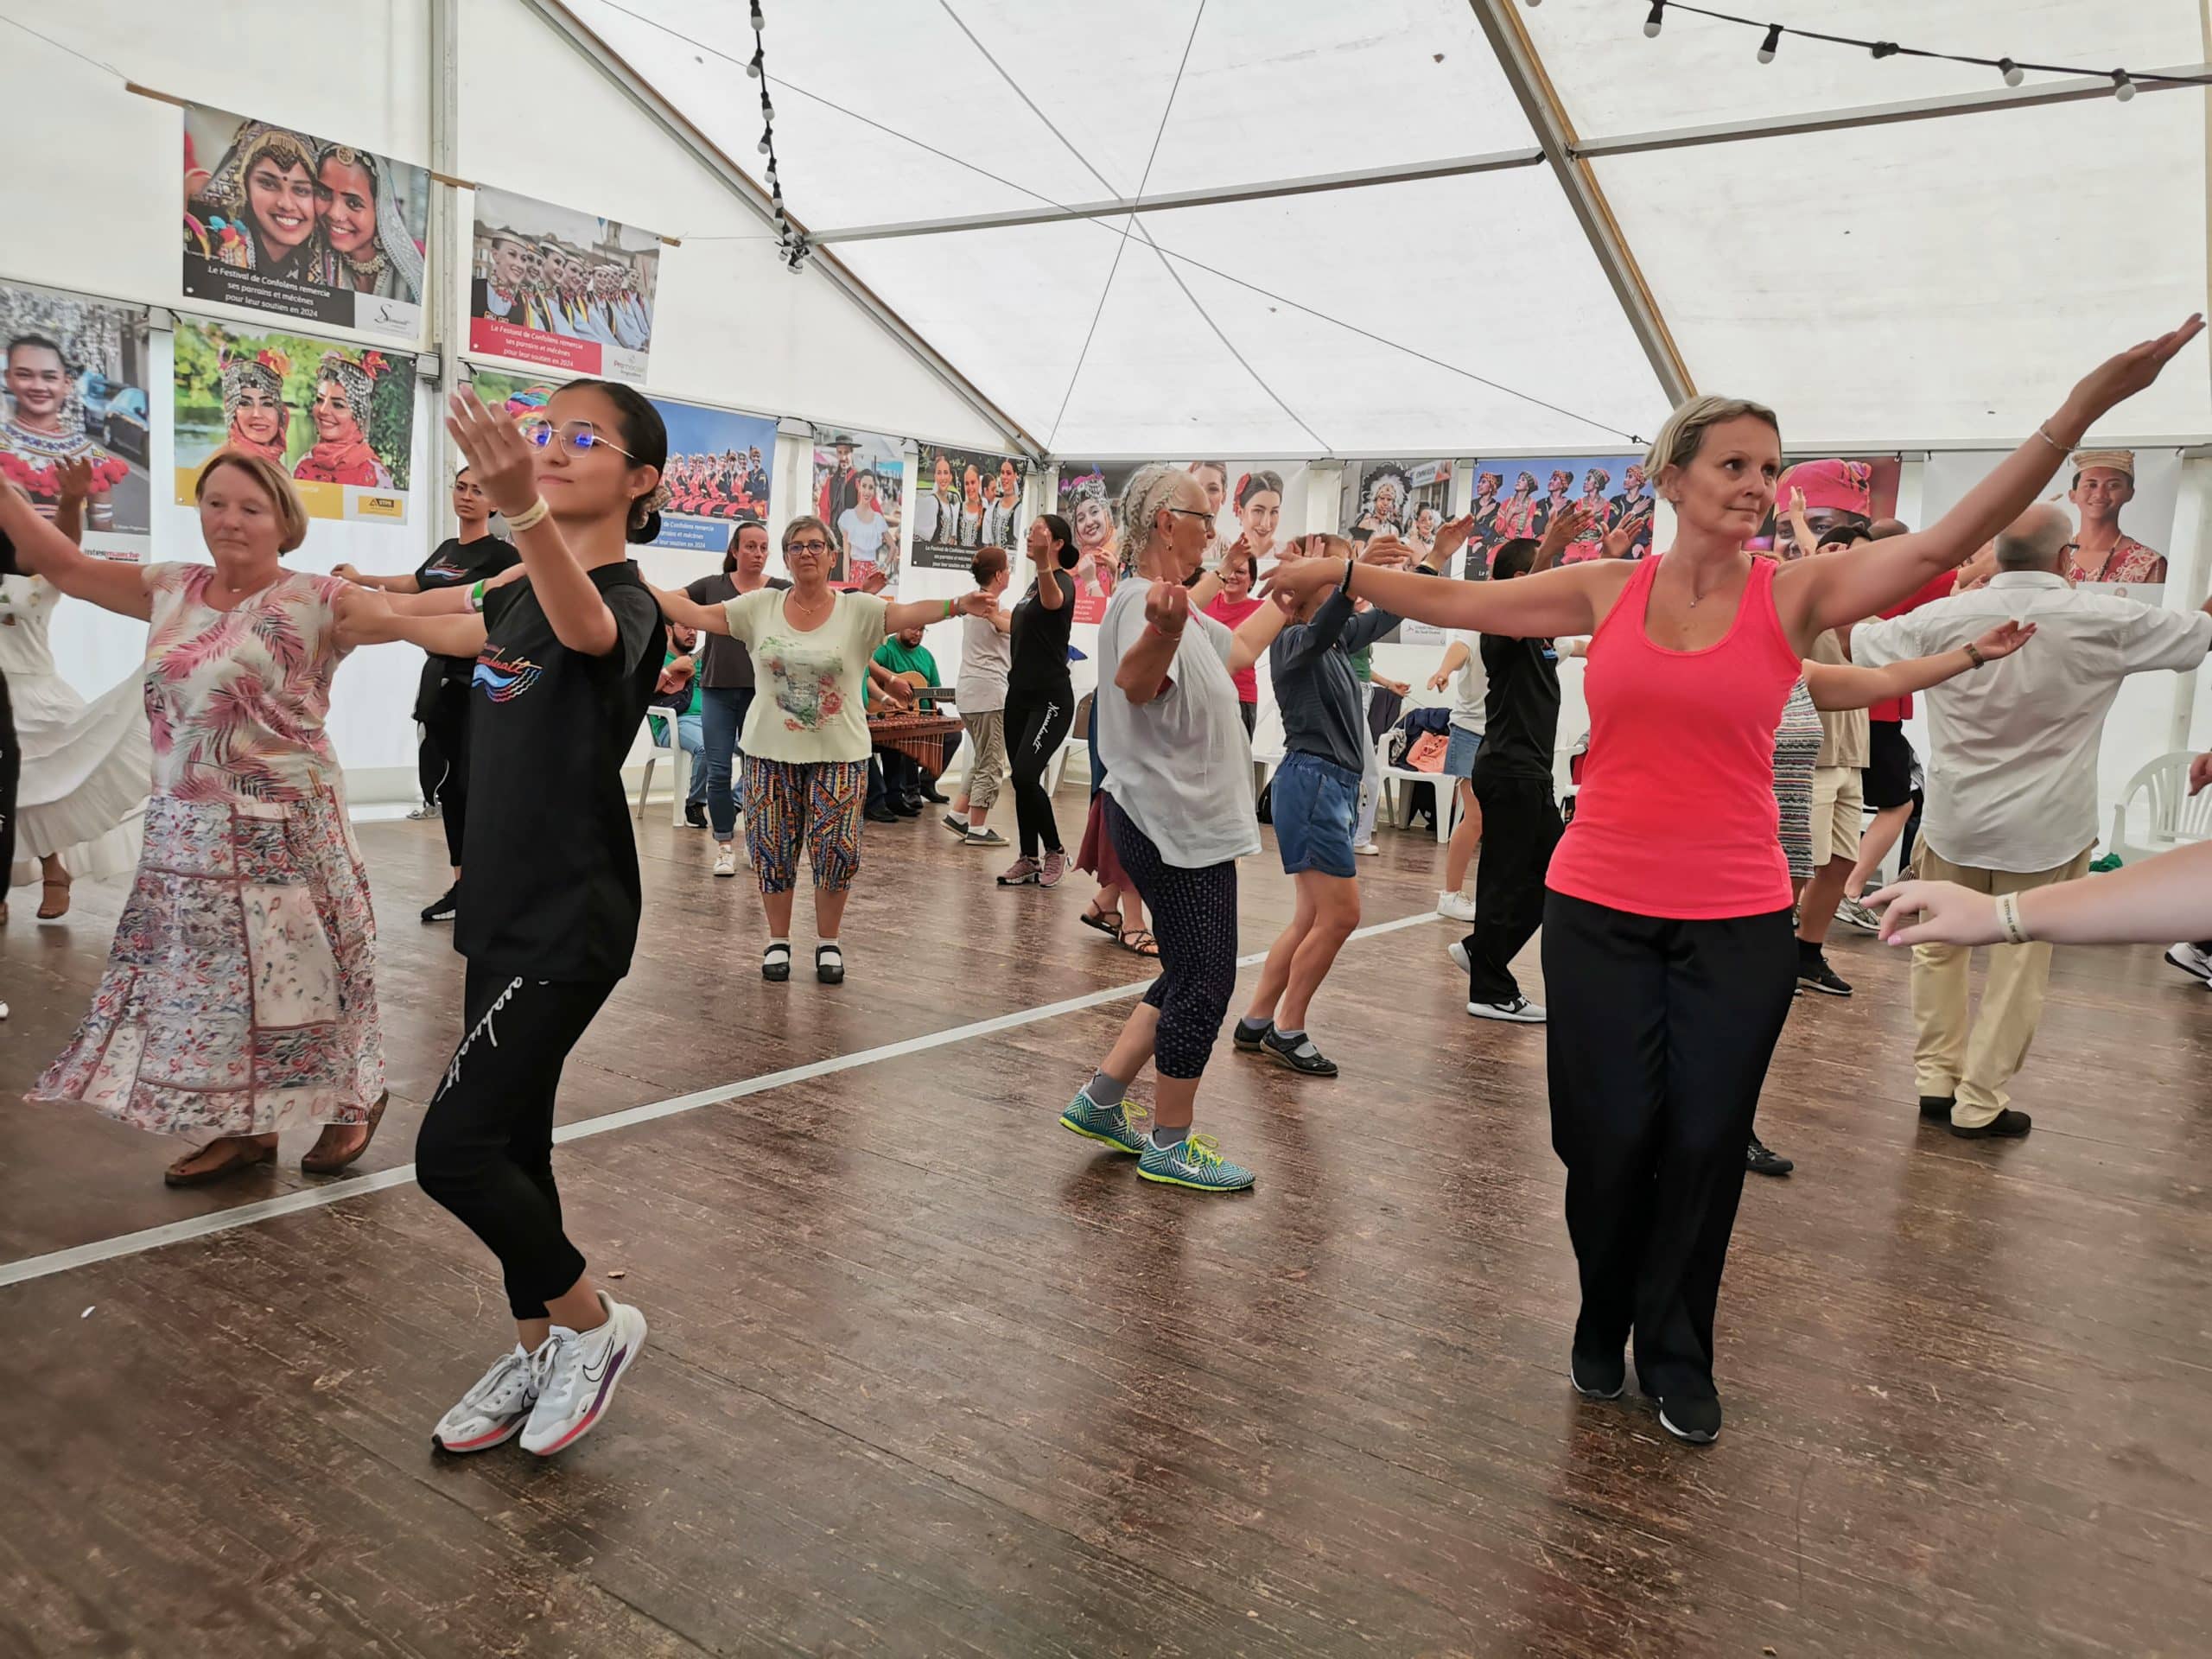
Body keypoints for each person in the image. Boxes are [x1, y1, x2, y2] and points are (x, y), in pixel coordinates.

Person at [1259, 313, 2202, 1443]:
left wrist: (2085, 407)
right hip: (1599, 909)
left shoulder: (1792, 596)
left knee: (1704, 1141)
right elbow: (1461, 603)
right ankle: (1601, 1312)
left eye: (1771, 465)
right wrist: (1351, 570)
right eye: (1736, 465)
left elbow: (1957, 531)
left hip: (1738, 922)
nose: (1760, 484)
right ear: (1673, 476)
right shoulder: (1608, 589)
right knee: (1602, 1139)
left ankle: (1677, 1348)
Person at [344, 380, 669, 1459]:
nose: (557, 449)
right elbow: (436, 616)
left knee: (455, 1153)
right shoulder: (517, 592)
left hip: (567, 920)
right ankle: (538, 1350)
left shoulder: (624, 597)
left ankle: (593, 1326)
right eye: (546, 434)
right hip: (499, 908)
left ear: (641, 481)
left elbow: (584, 629)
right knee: (517, 1147)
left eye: (587, 439)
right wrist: (344, 609)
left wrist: (523, 504)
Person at [5, 451, 387, 1186]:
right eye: (215, 503)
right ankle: (246, 1128)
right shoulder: (171, 587)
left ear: (283, 517)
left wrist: (511, 590)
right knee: (216, 983)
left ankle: (353, 1094)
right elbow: (60, 563)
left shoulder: (316, 597)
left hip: (288, 822)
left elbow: (417, 616)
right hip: (190, 826)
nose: (228, 520)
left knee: (316, 968)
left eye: (249, 507)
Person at [1850, 499, 2212, 1141]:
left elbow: (1864, 637)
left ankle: (1935, 1080)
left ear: (1993, 552)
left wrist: (1957, 584)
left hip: (1956, 815)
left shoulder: (1946, 616)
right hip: (2049, 825)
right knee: (2020, 964)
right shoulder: (2106, 616)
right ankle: (1979, 1102)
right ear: (2067, 557)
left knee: (1935, 948)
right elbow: (2196, 634)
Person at [1058, 464, 1292, 1195]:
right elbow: (1135, 681)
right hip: (1172, 826)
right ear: (1166, 521)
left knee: (1187, 967)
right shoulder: (1143, 605)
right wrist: (1161, 632)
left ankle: (1101, 1100)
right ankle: (1170, 1142)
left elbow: (1243, 651)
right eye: (1201, 516)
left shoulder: (1177, 610)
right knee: (1207, 978)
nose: (1214, 530)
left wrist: (1287, 597)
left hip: (1179, 824)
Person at [652, 517, 993, 984]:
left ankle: (828, 942)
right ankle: (778, 940)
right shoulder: (759, 606)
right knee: (772, 848)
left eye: (816, 545)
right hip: (769, 751)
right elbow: (695, 614)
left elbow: (911, 612)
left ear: (833, 556)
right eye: (796, 547)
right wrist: (639, 582)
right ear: (787, 558)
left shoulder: (859, 610)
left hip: (840, 753)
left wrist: (958, 604)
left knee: (836, 850)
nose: (807, 553)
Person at [1235, 531, 1426, 1077]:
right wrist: (1350, 573)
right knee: (1342, 915)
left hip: (1325, 787)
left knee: (1310, 918)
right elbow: (1324, 624)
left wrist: (1431, 562)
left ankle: (1256, 1020)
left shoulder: (1337, 639)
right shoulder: (1296, 641)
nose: (1354, 586)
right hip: (1314, 784)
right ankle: (1287, 1029)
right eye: (1340, 576)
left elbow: (1388, 612)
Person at [334, 468, 520, 921]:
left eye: (479, 491)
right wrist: (361, 578)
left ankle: (492, 886)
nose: (468, 497)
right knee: (447, 786)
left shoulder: (502, 556)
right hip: (438, 678)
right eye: (460, 487)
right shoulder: (447, 550)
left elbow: (470, 605)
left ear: (495, 503)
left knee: (474, 786)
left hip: (478, 677)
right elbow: (416, 586)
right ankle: (463, 886)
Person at [0, 460, 149, 920]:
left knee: (43, 789)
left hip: (33, 695)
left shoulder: (34, 571)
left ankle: (54, 871)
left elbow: (64, 549)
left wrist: (70, 501)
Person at [1875, 820, 2212, 957]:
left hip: (2026, 831)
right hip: (2031, 828)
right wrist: (1998, 914)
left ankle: (1966, 1093)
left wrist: (1997, 913)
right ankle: (1975, 1097)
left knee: (2007, 966)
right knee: (2016, 967)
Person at [683, 519, 785, 877]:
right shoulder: (713, 587)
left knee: (761, 770)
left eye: (763, 547)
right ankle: (724, 845)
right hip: (717, 691)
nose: (757, 553)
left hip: (761, 693)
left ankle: (757, 842)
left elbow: (822, 600)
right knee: (719, 769)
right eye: (750, 546)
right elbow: (674, 602)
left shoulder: (778, 590)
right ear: (734, 551)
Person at [999, 514, 1079, 887]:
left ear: (1058, 542)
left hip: (1051, 699)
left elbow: (1052, 604)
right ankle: (1028, 857)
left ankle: (1056, 850)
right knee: (1021, 780)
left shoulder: (1059, 581)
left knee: (1026, 773)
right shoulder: (1032, 586)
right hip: (1019, 695)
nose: (1030, 535)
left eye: (1038, 530)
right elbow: (1027, 625)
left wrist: (1045, 563)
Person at [2, 334, 128, 532]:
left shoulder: (91, 458)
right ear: (8, 378)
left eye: (49, 377)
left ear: (67, 384)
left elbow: (103, 539)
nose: (38, 386)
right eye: (24, 375)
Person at [188, 123, 323, 285]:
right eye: (268, 184)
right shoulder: (207, 247)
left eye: (301, 190)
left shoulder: (332, 272)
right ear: (244, 187)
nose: (286, 204)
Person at [945, 544, 1013, 848]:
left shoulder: (973, 606)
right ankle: (978, 828)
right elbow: (1013, 629)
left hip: (969, 693)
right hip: (988, 693)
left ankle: (959, 815)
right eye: (1007, 568)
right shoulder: (992, 608)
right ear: (999, 575)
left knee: (981, 757)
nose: (1009, 573)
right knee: (992, 762)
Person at [308, 143, 426, 302]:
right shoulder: (309, 259)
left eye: (353, 203)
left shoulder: (414, 272)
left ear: (380, 210)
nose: (334, 213)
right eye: (324, 193)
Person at [2059, 448, 2168, 586]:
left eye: (2113, 485)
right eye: (2091, 485)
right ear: (2072, 495)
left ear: (2129, 493)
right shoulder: (2054, 558)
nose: (2100, 494)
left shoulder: (2148, 563)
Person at [868, 620, 941, 814]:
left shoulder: (926, 655)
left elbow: (936, 688)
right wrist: (891, 684)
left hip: (915, 714)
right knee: (899, 739)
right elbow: (868, 670)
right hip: (880, 713)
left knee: (952, 735)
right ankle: (880, 799)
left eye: (922, 629)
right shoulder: (885, 648)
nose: (918, 633)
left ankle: (900, 795)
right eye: (913, 628)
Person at [293, 353, 393, 487]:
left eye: (338, 405)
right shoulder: (304, 464)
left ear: (359, 417)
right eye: (319, 400)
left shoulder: (375, 474)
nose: (322, 410)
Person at [1202, 542, 1265, 738]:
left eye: (1241, 572)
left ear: (1252, 581)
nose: (1232, 576)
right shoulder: (1207, 601)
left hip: (1240, 697)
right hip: (1204, 696)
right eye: (1230, 569)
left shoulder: (1261, 610)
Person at [652, 621, 708, 824]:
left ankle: (735, 805)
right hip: (673, 724)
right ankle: (695, 804)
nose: (692, 631)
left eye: (694, 627)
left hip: (709, 721)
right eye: (685, 627)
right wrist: (671, 668)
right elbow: (641, 691)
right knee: (706, 748)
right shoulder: (655, 657)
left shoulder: (702, 660)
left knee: (753, 751)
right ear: (669, 630)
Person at [216, 345, 290, 466]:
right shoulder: (225, 466)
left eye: (267, 404)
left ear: (281, 412)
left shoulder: (277, 466)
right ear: (232, 412)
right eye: (245, 403)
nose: (257, 414)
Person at [836, 469, 892, 584]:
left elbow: (893, 548)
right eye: (864, 486)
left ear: (874, 490)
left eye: (871, 488)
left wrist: (883, 566)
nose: (867, 491)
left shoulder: (878, 519)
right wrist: (846, 585)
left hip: (872, 573)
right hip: (855, 571)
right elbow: (846, 557)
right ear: (859, 486)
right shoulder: (848, 517)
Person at [473, 230, 535, 327]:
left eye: (523, 259)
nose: (520, 265)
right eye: (512, 254)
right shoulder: (474, 288)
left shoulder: (525, 304)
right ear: (495, 255)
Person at [1231, 469, 1286, 567]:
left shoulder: (1286, 554)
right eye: (1258, 511)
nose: (1266, 524)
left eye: (1274, 512)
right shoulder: (1226, 553)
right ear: (1240, 513)